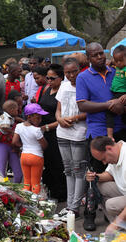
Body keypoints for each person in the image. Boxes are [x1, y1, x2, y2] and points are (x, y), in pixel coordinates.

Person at [76, 42, 126, 174]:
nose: (100, 57)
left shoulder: (117, 71)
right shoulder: (82, 77)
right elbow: (82, 104)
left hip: (121, 130)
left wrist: (122, 107)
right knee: (100, 174)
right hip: (98, 134)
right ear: (88, 59)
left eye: (101, 53)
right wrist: (108, 104)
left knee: (122, 173)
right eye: (95, 55)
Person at [54, 58, 88, 221]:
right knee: (68, 169)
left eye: (74, 71)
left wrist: (74, 118)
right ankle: (69, 206)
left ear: (79, 69)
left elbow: (89, 111)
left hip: (78, 133)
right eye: (68, 72)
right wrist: (59, 119)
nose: (71, 75)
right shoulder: (64, 85)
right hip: (62, 132)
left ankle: (75, 207)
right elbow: (58, 109)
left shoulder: (85, 83)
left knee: (78, 170)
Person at [36, 63, 67, 202]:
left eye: (52, 78)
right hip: (43, 131)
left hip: (56, 131)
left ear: (61, 78)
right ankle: (50, 191)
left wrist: (47, 127)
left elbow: (63, 116)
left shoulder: (64, 92)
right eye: (47, 78)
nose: (49, 81)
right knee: (47, 163)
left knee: (57, 163)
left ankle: (61, 193)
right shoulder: (46, 89)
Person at [86, 136, 126, 232]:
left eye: (104, 158)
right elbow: (110, 175)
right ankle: (119, 229)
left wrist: (116, 224)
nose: (104, 163)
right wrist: (95, 177)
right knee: (99, 186)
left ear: (109, 148)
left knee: (111, 205)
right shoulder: (116, 153)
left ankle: (118, 227)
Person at [12, 104, 49, 195]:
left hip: (24, 156)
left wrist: (23, 146)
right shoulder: (36, 130)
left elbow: (14, 141)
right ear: (29, 116)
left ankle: (26, 202)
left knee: (27, 181)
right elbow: (44, 145)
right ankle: (35, 202)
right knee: (35, 183)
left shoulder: (19, 126)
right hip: (36, 157)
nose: (40, 120)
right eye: (38, 118)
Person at [0, 100, 23, 183]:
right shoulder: (5, 118)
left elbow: (15, 119)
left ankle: (14, 190)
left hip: (10, 146)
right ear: (11, 110)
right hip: (1, 144)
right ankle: (4, 190)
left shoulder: (11, 117)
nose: (19, 110)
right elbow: (5, 127)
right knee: (1, 171)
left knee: (18, 173)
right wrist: (13, 132)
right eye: (17, 109)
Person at [106, 45, 126, 139]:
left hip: (122, 94)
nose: (118, 63)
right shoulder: (117, 64)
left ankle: (110, 135)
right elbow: (113, 61)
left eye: (120, 60)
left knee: (111, 109)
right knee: (113, 112)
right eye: (116, 60)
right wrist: (110, 62)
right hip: (116, 93)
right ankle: (110, 135)